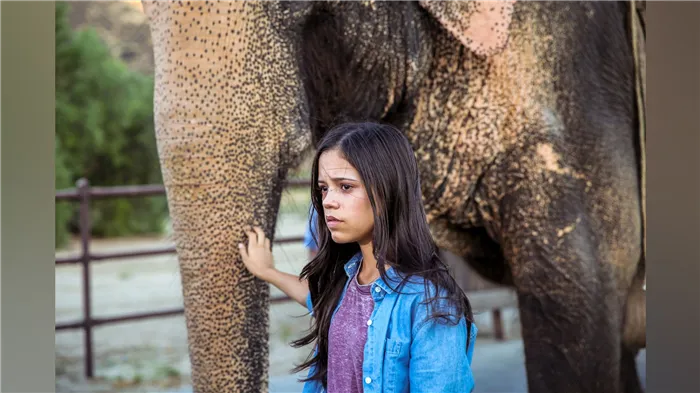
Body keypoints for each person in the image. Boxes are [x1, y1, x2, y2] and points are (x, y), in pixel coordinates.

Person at [239, 122, 477, 393]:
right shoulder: (347, 280)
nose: (328, 201)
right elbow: (316, 296)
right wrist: (268, 271)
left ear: (387, 190)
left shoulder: (431, 304)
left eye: (345, 186)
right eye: (324, 188)